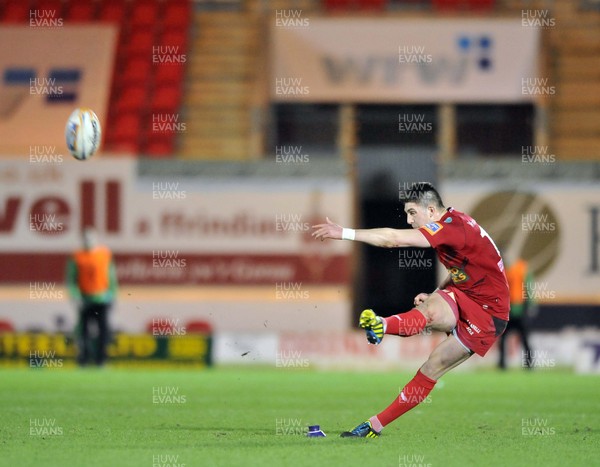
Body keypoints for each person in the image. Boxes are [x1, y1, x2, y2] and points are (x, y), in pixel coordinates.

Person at [312, 182, 509, 438]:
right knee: (430, 311)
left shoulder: (451, 227)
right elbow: (460, 270)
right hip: (465, 294)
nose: (409, 219)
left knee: (432, 367)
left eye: (412, 213)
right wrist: (437, 294)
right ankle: (381, 326)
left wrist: (345, 233)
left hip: (489, 315)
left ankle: (376, 424)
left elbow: (393, 240)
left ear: (430, 210)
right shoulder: (453, 224)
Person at [66, 228, 118, 366]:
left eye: (91, 237)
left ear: (96, 238)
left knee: (104, 331)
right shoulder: (77, 256)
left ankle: (101, 360)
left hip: (102, 299)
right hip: (85, 299)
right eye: (86, 238)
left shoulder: (104, 254)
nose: (89, 240)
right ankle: (84, 359)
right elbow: (71, 279)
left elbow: (111, 276)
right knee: (83, 331)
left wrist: (113, 295)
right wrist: (75, 296)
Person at [498, 257, 534, 369]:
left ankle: (502, 364)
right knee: (525, 339)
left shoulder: (509, 272)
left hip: (510, 311)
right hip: (521, 311)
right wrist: (530, 307)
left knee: (504, 338)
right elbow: (528, 291)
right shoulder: (523, 272)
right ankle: (529, 364)